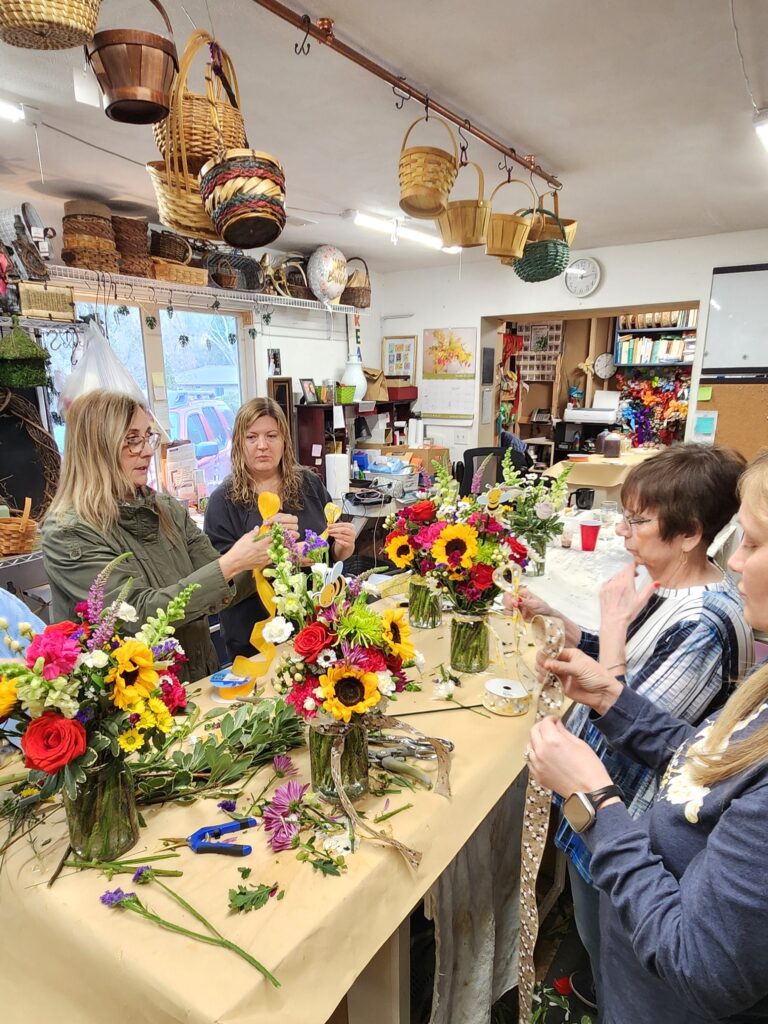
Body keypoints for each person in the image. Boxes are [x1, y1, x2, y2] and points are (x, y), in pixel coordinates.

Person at [505, 443, 754, 1017]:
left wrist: (612, 635)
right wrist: (569, 627)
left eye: (639, 519)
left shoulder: (705, 621)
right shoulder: (664, 590)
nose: (624, 530)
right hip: (606, 810)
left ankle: (604, 991)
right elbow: (625, 673)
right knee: (603, 936)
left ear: (689, 533)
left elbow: (633, 729)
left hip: (628, 819)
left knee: (613, 934)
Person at [41, 390, 264, 682]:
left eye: (147, 437)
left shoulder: (167, 509)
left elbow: (222, 587)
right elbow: (137, 615)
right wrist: (231, 564)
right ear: (97, 448)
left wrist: (269, 558)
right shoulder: (70, 533)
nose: (146, 450)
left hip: (196, 681)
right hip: (131, 705)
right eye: (132, 440)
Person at [204, 397, 356, 661]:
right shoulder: (223, 501)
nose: (262, 445)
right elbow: (220, 583)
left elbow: (329, 549)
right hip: (255, 639)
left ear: (285, 439)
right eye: (252, 437)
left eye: (271, 435)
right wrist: (277, 555)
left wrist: (341, 550)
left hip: (315, 629)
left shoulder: (309, 484)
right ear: (239, 443)